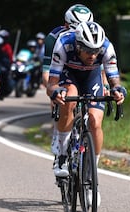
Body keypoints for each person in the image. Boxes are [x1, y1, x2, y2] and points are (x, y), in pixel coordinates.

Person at [46, 21, 127, 205]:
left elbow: (114, 80)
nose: (93, 55)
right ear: (78, 46)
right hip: (69, 75)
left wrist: (117, 91)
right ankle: (62, 155)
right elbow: (51, 84)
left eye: (96, 51)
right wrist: (56, 92)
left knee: (95, 122)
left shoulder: (106, 47)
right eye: (88, 51)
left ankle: (92, 176)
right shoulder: (64, 44)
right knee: (69, 98)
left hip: (92, 78)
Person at [42, 4, 95, 156]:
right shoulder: (54, 39)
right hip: (63, 71)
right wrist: (52, 92)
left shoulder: (94, 36)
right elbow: (47, 73)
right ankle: (59, 137)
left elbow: (103, 68)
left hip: (87, 73)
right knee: (62, 101)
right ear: (66, 25)